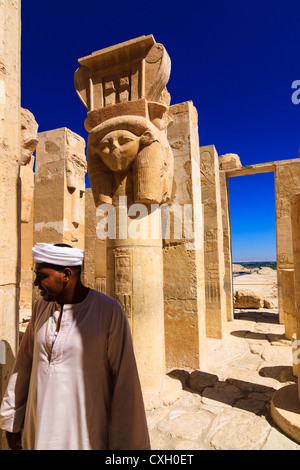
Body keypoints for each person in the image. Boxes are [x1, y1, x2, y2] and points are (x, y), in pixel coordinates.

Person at [0, 243, 150, 450]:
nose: (36, 282)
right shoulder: (41, 308)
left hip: (85, 433)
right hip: (39, 428)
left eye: (42, 276)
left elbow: (125, 381)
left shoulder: (109, 312)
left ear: (66, 275)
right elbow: (24, 366)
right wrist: (12, 421)